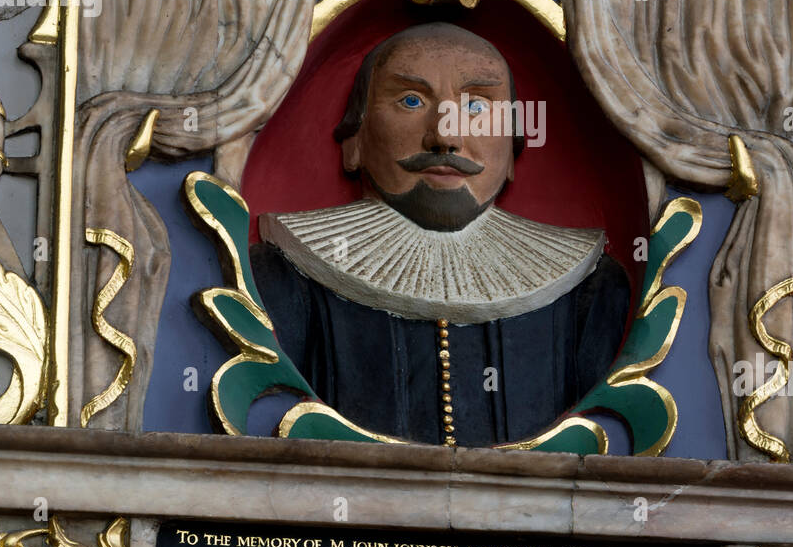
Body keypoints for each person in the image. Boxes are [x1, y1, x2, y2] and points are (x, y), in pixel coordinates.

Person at [249, 22, 630, 447]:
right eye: (411, 101)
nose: (445, 136)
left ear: (511, 152)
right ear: (355, 140)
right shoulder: (280, 274)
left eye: (476, 108)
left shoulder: (591, 288)